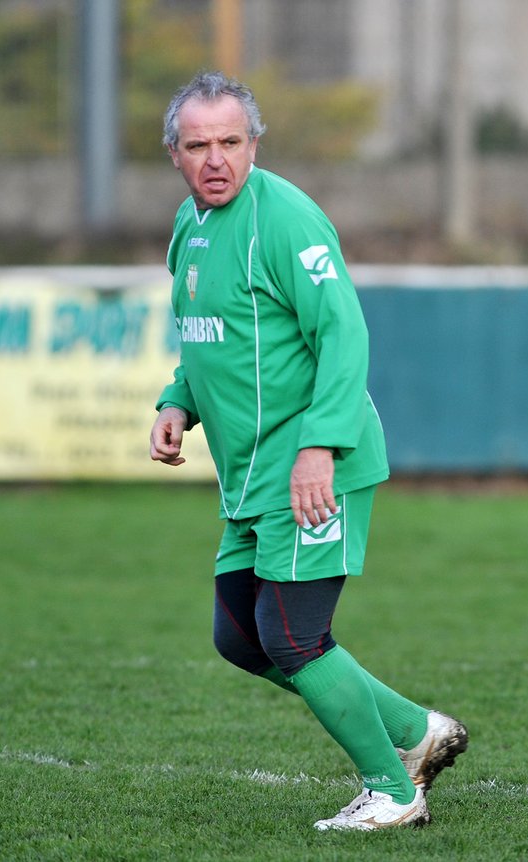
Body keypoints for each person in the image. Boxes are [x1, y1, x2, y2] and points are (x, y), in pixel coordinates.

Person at [149, 71, 467, 832]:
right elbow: (208, 340)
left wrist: (319, 447)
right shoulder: (188, 229)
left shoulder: (286, 220)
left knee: (292, 635)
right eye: (199, 145)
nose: (216, 158)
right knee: (239, 636)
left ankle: (393, 791)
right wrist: (177, 401)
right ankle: (416, 730)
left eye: (231, 142)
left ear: (254, 144)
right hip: (252, 479)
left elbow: (344, 335)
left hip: (314, 470)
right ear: (175, 154)